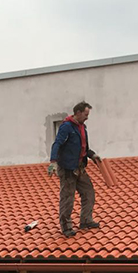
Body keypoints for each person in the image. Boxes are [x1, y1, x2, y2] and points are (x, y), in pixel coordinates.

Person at [49, 101, 103, 238]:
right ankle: (66, 227)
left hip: (79, 167)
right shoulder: (66, 127)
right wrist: (53, 162)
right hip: (67, 168)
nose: (87, 117)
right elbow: (57, 144)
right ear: (78, 113)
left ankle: (86, 220)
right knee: (68, 198)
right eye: (85, 114)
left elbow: (84, 148)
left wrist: (93, 155)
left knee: (88, 192)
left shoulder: (82, 127)